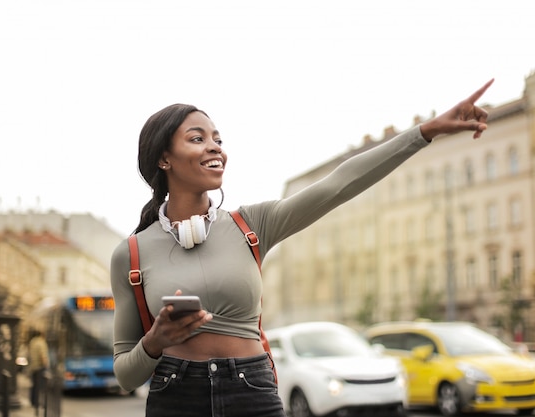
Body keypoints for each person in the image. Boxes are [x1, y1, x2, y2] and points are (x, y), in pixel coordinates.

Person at [110, 79, 494, 416]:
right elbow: (127, 375)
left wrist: (425, 132)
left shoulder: (251, 225)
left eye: (218, 139)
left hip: (252, 392)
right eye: (198, 139)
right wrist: (156, 341)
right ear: (164, 158)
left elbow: (339, 183)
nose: (216, 148)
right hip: (175, 397)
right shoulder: (131, 255)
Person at [27, 329, 49, 408]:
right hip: (40, 367)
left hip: (33, 366)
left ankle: (33, 402)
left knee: (34, 385)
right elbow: (43, 356)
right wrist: (46, 366)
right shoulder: (41, 343)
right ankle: (38, 404)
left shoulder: (32, 341)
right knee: (41, 386)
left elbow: (28, 354)